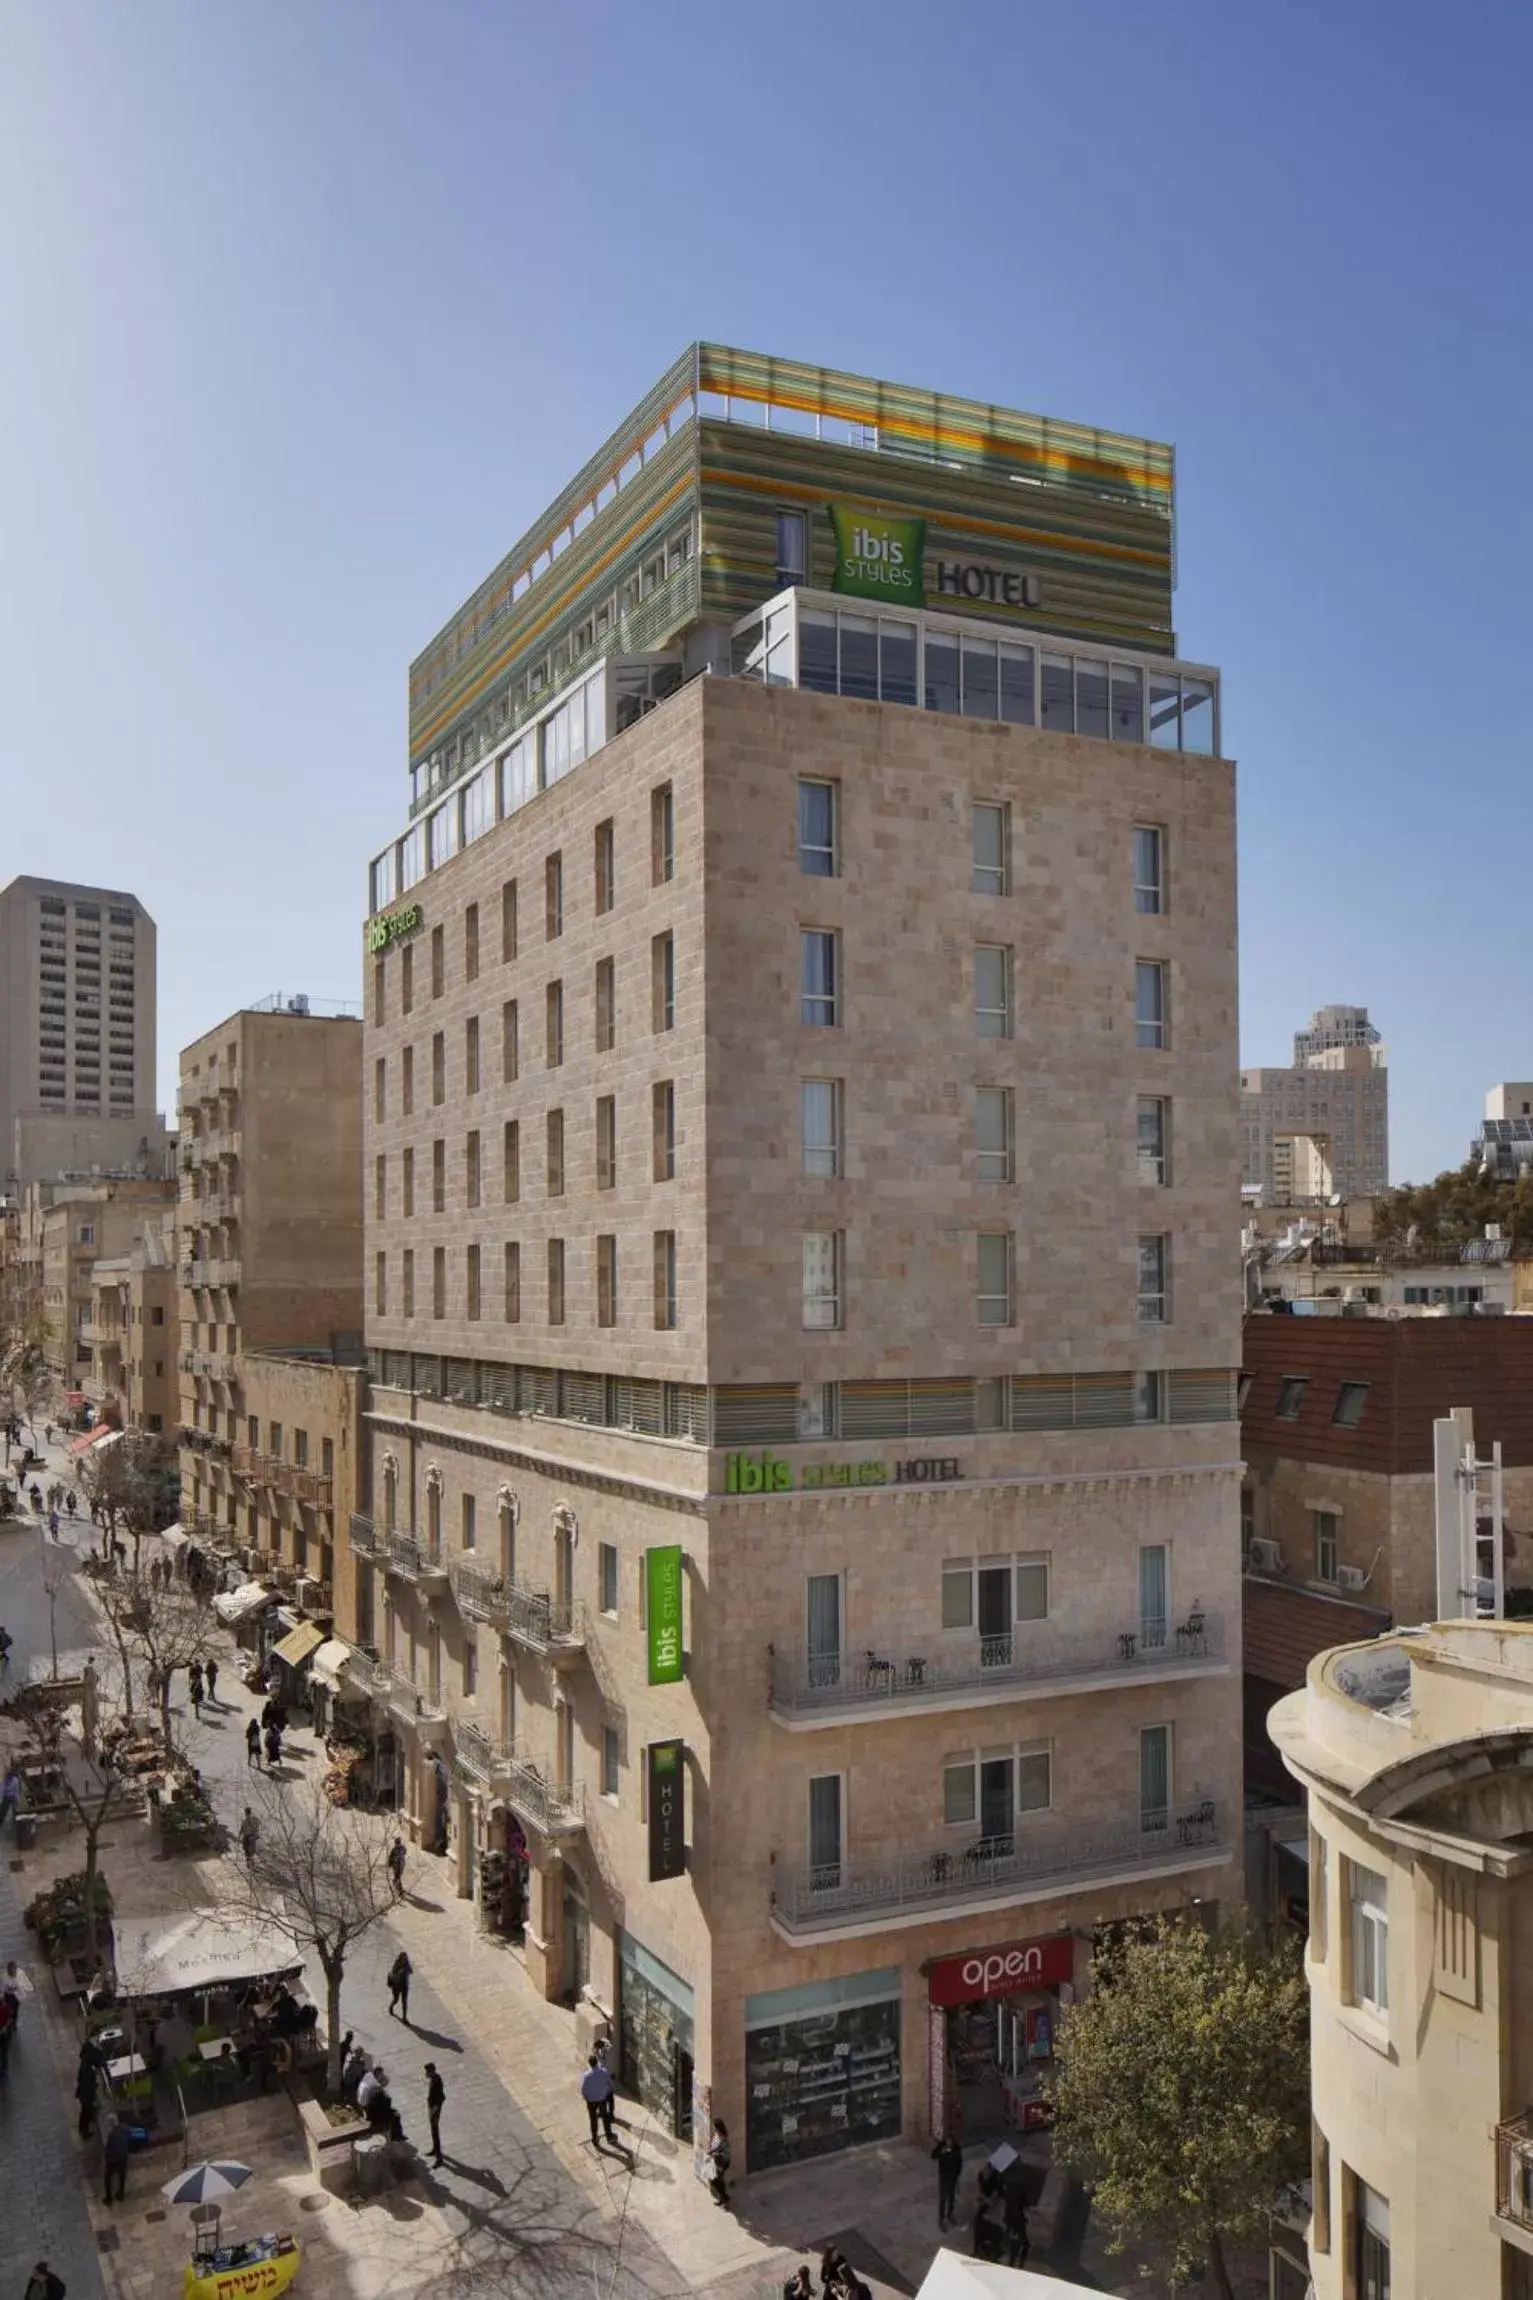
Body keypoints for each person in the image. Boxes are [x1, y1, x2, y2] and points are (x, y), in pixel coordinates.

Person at [580, 2052, 616, 2146]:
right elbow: (610, 2085)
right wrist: (608, 2092)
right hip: (601, 2099)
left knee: (593, 2120)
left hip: (591, 2101)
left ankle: (595, 2138)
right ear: (597, 2062)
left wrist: (586, 2096)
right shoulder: (604, 2072)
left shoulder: (586, 2075)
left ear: (590, 2064)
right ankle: (609, 2136)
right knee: (605, 2117)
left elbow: (583, 2089)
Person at [932, 2133, 963, 2229]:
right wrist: (941, 2152)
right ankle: (941, 2218)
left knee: (951, 2197)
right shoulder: (941, 2146)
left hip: (953, 2176)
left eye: (951, 2142)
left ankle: (950, 2214)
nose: (949, 2143)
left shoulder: (957, 2149)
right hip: (944, 2176)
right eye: (947, 2142)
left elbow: (959, 2162)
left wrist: (958, 2175)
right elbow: (933, 2156)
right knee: (943, 2197)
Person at [103, 2113, 132, 2204]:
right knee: (122, 2175)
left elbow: (109, 2150)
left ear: (110, 2125)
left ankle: (109, 2198)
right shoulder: (124, 2128)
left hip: (113, 2159)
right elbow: (137, 2133)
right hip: (123, 2156)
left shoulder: (111, 2135)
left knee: (107, 2178)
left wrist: (107, 2158)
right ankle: (121, 2195)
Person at [1002, 2184, 1031, 2269]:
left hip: (1018, 2229)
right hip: (1018, 2229)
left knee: (1019, 2246)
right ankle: (1017, 2264)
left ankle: (1015, 2263)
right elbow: (1016, 2219)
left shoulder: (1016, 2207)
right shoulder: (1018, 2208)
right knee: (1020, 2246)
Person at [706, 2116, 732, 2207]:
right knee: (718, 2180)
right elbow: (713, 2145)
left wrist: (714, 2154)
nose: (713, 2128)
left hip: (722, 2162)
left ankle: (723, 2198)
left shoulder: (723, 2139)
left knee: (715, 2180)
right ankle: (724, 2197)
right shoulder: (716, 2135)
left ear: (718, 2127)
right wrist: (710, 2149)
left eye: (714, 2126)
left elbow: (725, 2154)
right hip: (717, 2161)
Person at [424, 2061, 445, 2165]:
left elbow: (440, 2097)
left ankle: (439, 2157)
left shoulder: (437, 2081)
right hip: (432, 2107)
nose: (425, 2074)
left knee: (435, 2131)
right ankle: (435, 2149)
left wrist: (434, 2110)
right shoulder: (434, 2079)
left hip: (435, 2109)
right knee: (433, 2130)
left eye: (427, 2072)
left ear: (431, 2071)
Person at [74, 2051, 100, 2137]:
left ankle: (83, 2128)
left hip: (83, 2094)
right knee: (85, 2112)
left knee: (84, 2111)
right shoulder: (89, 2071)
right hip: (86, 2096)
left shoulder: (84, 2068)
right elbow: (89, 2083)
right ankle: (84, 2131)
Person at [387, 1950, 412, 2021]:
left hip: (405, 1985)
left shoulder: (407, 1963)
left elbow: (411, 1971)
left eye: (405, 1958)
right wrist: (399, 1971)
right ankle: (391, 2006)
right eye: (403, 1958)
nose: (404, 1959)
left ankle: (404, 2017)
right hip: (397, 1986)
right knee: (396, 2000)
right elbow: (393, 1974)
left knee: (404, 2002)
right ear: (400, 1958)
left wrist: (407, 1969)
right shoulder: (396, 1964)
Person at [0, 1765, 21, 1830]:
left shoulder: (15, 1780)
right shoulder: (14, 1780)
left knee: (14, 1810)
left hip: (10, 1797)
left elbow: (16, 1790)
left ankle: (16, 1821)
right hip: (8, 1797)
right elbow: (2, 1789)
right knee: (3, 1812)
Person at [388, 1834, 407, 1899]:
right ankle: (400, 1891)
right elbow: (390, 1857)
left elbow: (405, 1852)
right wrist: (390, 1863)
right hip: (396, 1866)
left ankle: (395, 1882)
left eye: (398, 1842)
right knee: (398, 1877)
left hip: (401, 1865)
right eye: (397, 1843)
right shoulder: (394, 1849)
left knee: (398, 1877)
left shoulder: (402, 1848)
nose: (398, 1844)